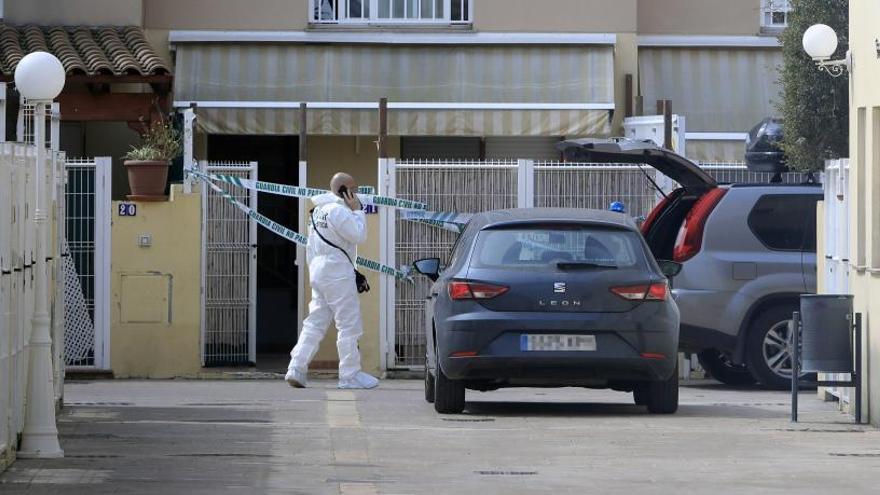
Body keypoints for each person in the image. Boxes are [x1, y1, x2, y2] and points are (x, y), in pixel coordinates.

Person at [285, 173, 379, 390]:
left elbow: (311, 246)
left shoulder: (318, 211)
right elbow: (359, 235)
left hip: (319, 271)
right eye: (353, 189)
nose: (356, 193)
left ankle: (296, 367)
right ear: (345, 191)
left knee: (315, 322)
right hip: (337, 273)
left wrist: (315, 273)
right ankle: (349, 375)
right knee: (349, 324)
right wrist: (357, 210)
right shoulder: (339, 211)